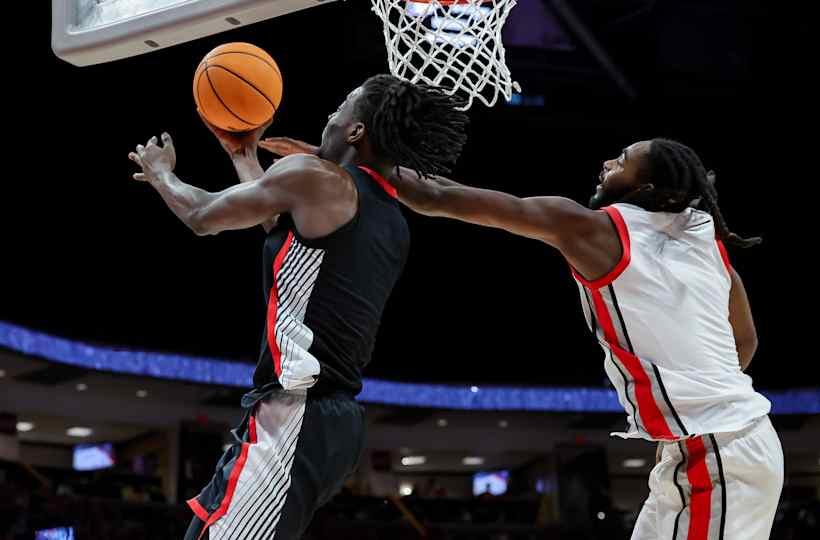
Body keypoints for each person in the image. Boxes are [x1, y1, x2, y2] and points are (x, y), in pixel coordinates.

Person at [260, 137, 782, 539]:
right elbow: (747, 342)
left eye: (622, 160)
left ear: (645, 189)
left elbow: (440, 194)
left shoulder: (595, 229)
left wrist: (337, 166)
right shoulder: (705, 241)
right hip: (713, 447)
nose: (608, 163)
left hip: (718, 453)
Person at [128, 73, 468, 540]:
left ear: (357, 131)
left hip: (296, 414)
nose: (332, 113)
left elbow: (203, 215)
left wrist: (160, 172)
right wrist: (244, 158)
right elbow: (281, 230)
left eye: (343, 104)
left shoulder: (316, 178)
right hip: (330, 422)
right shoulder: (390, 220)